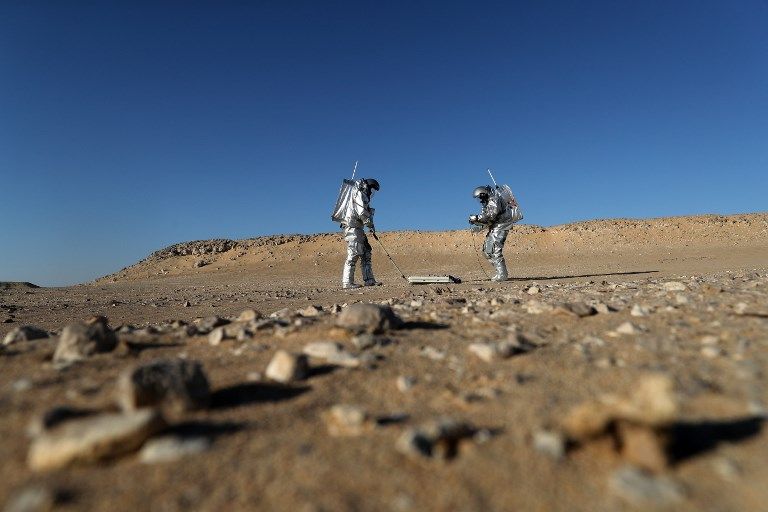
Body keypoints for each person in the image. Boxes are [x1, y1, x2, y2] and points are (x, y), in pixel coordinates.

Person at [469, 185, 516, 281]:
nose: (480, 200)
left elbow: (491, 215)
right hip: (495, 227)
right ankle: (500, 272)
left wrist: (477, 218)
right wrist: (477, 225)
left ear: (483, 194)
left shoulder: (494, 199)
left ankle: (502, 275)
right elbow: (488, 220)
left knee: (495, 250)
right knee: (487, 252)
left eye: (480, 197)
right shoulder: (488, 203)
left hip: (501, 226)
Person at [340, 178, 380, 289]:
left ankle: (369, 280)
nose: (372, 193)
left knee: (366, 252)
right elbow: (361, 212)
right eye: (372, 189)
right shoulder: (359, 193)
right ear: (369, 187)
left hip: (358, 228)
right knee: (353, 253)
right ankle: (347, 282)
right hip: (352, 228)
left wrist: (369, 223)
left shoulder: (361, 194)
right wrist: (369, 224)